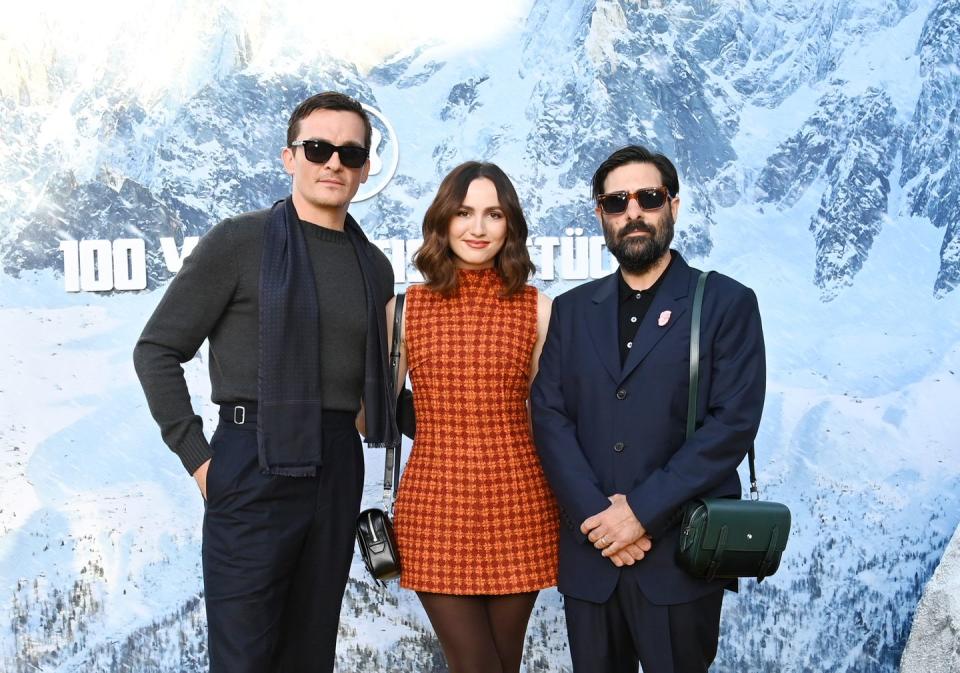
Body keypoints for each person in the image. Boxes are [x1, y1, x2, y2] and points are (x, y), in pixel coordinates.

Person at [132, 91, 396, 673]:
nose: (334, 163)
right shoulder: (239, 242)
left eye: (349, 153)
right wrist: (202, 461)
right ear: (289, 157)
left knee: (309, 654)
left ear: (365, 169)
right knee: (245, 656)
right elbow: (156, 350)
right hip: (250, 461)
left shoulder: (373, 266)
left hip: (335, 466)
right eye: (319, 148)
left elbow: (372, 390)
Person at [531, 145, 766, 673]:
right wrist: (599, 518)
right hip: (591, 558)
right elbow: (548, 416)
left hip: (680, 556)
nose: (632, 212)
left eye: (648, 197)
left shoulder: (727, 303)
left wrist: (637, 514)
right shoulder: (571, 310)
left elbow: (732, 425)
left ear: (674, 206)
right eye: (617, 202)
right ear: (601, 215)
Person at [388, 161, 559, 673]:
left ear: (511, 226)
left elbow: (548, 418)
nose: (478, 228)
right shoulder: (404, 309)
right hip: (434, 509)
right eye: (463, 212)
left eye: (493, 214)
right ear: (442, 220)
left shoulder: (538, 309)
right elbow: (371, 415)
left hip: (521, 507)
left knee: (504, 664)